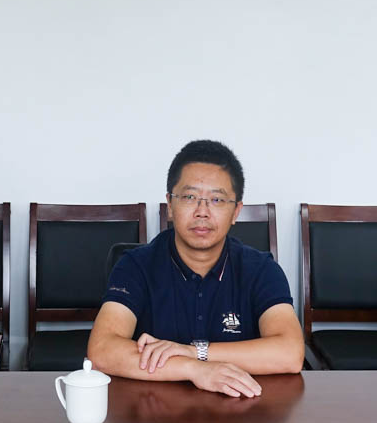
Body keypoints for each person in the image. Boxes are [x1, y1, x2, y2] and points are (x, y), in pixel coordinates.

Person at [87, 140, 304, 398]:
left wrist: (196, 352)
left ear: (236, 211)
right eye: (190, 197)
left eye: (217, 199)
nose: (202, 212)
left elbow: (290, 353)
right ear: (170, 204)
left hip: (240, 410)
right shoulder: (135, 265)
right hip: (153, 412)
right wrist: (194, 368)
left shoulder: (261, 270)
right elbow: (102, 350)